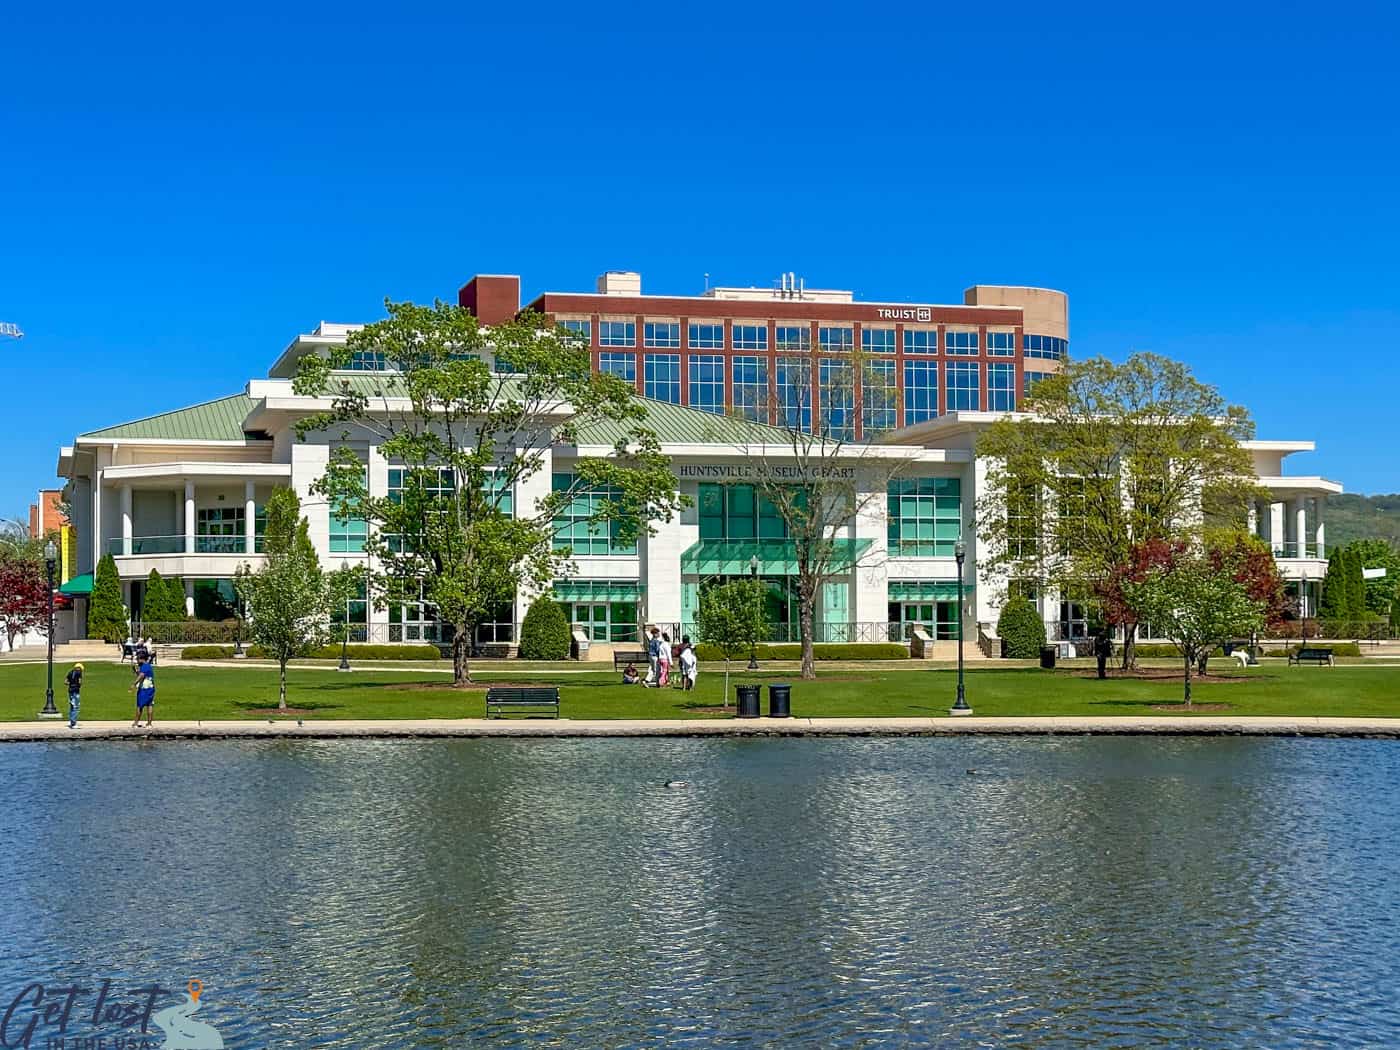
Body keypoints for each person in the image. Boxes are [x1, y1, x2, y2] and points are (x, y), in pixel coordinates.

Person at [131, 657, 156, 727]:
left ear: (142, 659)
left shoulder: (144, 666)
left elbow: (141, 676)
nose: (137, 661)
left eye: (137, 660)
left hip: (144, 689)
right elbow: (141, 674)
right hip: (151, 688)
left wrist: (134, 684)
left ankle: (136, 723)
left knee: (140, 706)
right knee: (149, 705)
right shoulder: (148, 666)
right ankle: (149, 723)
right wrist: (135, 670)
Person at [65, 663, 84, 728]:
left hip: (70, 690)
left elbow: (65, 682)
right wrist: (78, 685)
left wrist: (71, 683)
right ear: (79, 668)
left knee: (72, 706)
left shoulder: (70, 672)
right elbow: (80, 682)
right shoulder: (79, 673)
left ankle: (71, 721)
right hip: (76, 691)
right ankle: (73, 723)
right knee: (76, 707)